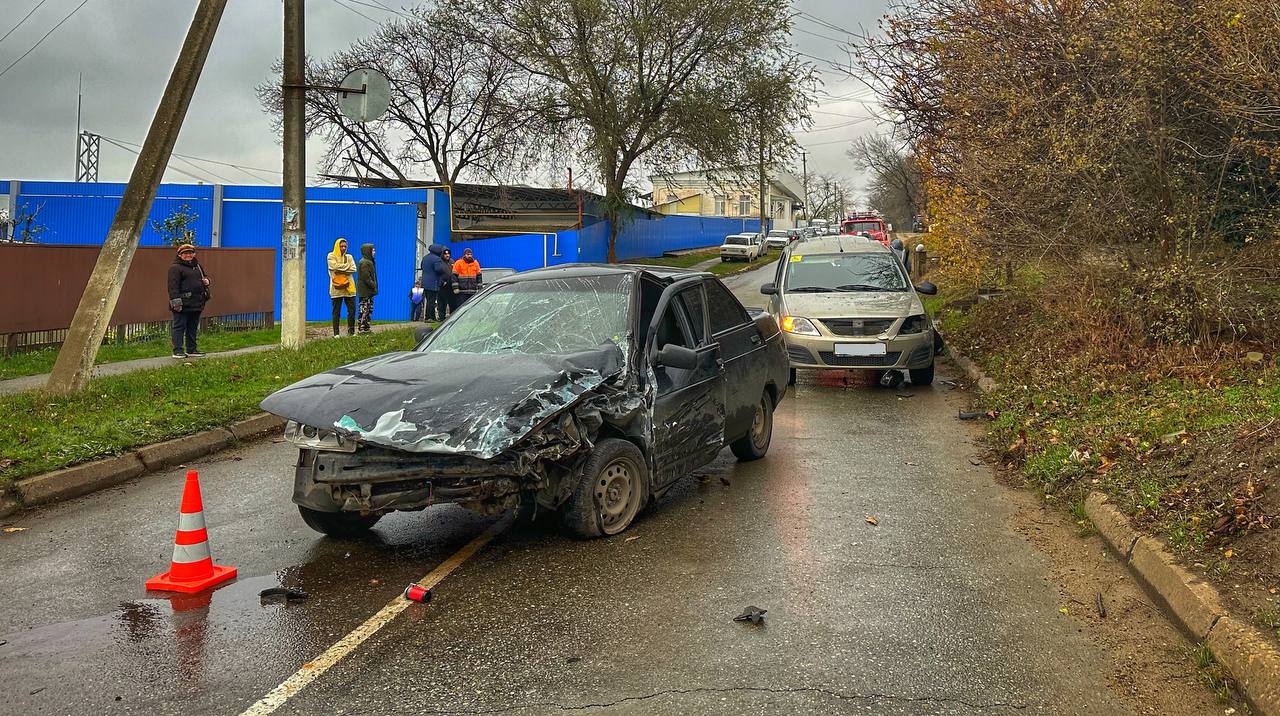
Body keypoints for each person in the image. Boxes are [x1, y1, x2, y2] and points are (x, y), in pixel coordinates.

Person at [167, 243, 210, 359]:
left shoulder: (198, 267)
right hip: (182, 304)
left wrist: (207, 281)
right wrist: (176, 303)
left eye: (190, 253)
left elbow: (204, 277)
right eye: (185, 253)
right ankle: (177, 351)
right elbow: (172, 287)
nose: (188, 255)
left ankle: (192, 349)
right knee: (179, 326)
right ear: (180, 255)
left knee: (192, 327)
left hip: (197, 302)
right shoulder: (175, 268)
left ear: (194, 254)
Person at [328, 238, 357, 336]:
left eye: (345, 246)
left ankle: (351, 332)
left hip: (349, 287)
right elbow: (333, 266)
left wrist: (339, 268)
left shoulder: (349, 257)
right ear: (337, 246)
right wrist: (346, 267)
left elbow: (353, 268)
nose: (343, 248)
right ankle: (336, 334)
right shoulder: (331, 256)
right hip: (336, 288)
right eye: (341, 246)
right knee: (336, 311)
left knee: (352, 310)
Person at [418, 243, 446, 321]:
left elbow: (422, 267)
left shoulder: (425, 258)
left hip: (425, 282)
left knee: (429, 300)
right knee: (431, 301)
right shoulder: (437, 259)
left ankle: (430, 317)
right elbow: (438, 270)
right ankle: (429, 317)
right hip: (433, 283)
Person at [356, 243, 378, 333]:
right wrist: (373, 285)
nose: (374, 252)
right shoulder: (365, 262)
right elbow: (366, 278)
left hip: (368, 291)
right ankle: (362, 328)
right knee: (364, 309)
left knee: (368, 309)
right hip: (365, 291)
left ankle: (366, 327)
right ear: (367, 251)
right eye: (372, 250)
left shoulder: (369, 261)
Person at [438, 248, 456, 318]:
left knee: (452, 302)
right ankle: (441, 317)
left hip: (451, 285)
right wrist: (442, 282)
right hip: (443, 286)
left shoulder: (452, 261)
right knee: (442, 303)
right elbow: (437, 273)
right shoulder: (439, 262)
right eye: (445, 254)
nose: (447, 255)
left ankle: (453, 316)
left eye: (448, 254)